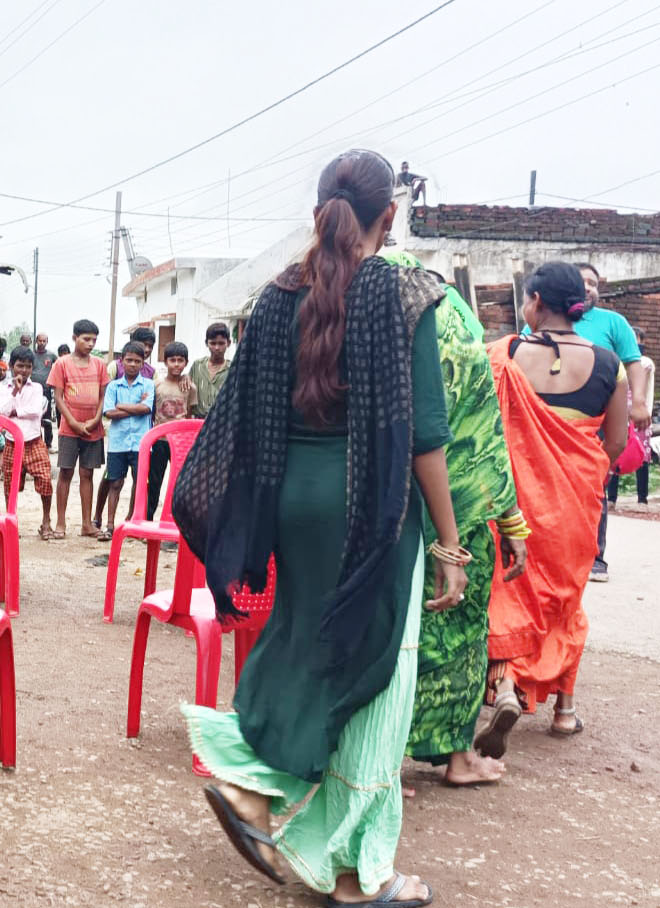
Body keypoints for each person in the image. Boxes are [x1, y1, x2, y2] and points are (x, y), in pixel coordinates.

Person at [175, 150, 461, 907]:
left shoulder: (278, 297)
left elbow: (243, 410)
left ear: (318, 214)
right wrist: (449, 544)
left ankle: (253, 782)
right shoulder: (406, 296)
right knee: (376, 677)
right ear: (388, 217)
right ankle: (353, 871)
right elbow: (425, 437)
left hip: (292, 506)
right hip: (368, 510)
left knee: (306, 642)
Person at [381, 251, 527, 789]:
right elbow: (485, 439)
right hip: (460, 511)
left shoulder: (369, 315)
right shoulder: (462, 327)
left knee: (387, 630)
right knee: (460, 635)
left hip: (378, 506)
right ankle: (458, 757)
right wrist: (513, 526)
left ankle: (374, 751)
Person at [478, 262, 626, 759]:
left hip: (516, 503)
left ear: (537, 302)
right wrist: (574, 477)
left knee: (510, 593)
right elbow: (617, 442)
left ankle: (503, 688)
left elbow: (485, 429)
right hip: (576, 506)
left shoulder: (506, 355)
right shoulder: (610, 364)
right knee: (566, 600)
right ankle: (564, 710)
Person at [563, 264, 647, 581]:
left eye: (593, 283)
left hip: (598, 417)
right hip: (552, 417)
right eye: (581, 281)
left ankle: (595, 557)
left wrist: (638, 403)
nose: (588, 287)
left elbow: (633, 363)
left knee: (595, 482)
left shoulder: (613, 322)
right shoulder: (548, 319)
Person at [47, 319, 108, 538]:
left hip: (93, 428)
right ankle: (61, 523)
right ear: (75, 338)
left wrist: (95, 420)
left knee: (87, 474)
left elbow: (103, 396)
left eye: (94, 340)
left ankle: (86, 524)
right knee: (65, 472)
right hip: (69, 429)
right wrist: (72, 422)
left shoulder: (99, 365)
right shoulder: (61, 364)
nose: (90, 344)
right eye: (86, 339)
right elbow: (58, 397)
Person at [97, 341, 153, 541]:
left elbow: (146, 409)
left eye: (137, 361)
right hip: (118, 443)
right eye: (129, 360)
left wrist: (122, 406)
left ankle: (138, 525)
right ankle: (109, 526)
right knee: (115, 483)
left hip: (141, 443)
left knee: (140, 484)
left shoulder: (148, 384)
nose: (132, 365)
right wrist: (134, 406)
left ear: (143, 362)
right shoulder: (113, 386)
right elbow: (109, 412)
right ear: (122, 361)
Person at [0, 347, 54, 539]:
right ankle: (11, 521)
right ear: (12, 366)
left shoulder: (37, 388)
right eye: (20, 366)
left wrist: (16, 411)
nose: (23, 370)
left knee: (45, 480)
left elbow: (36, 411)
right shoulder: (4, 389)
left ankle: (46, 522)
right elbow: (4, 411)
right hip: (12, 442)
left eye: (28, 366)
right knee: (10, 485)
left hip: (33, 440)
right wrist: (16, 391)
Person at [143, 341, 196, 521]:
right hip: (159, 441)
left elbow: (190, 415)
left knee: (178, 483)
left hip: (180, 444)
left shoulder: (190, 387)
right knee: (154, 482)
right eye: (172, 360)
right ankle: (148, 520)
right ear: (165, 362)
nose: (176, 364)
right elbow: (150, 411)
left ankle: (174, 521)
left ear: (186, 363)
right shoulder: (156, 385)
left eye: (180, 360)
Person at [608, 325, 654, 506]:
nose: (634, 343)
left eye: (638, 340)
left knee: (640, 454)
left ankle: (642, 499)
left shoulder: (646, 362)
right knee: (615, 451)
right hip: (618, 413)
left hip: (640, 416)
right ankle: (611, 498)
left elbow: (640, 368)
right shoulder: (616, 361)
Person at [188, 322, 233, 418]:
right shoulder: (197, 366)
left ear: (228, 343)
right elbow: (187, 387)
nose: (217, 348)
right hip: (198, 421)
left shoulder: (233, 369)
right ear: (206, 343)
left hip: (222, 421)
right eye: (213, 343)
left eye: (221, 343)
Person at [31, 332, 58, 448]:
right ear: (36, 341)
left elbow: (58, 370)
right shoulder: (31, 355)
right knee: (35, 418)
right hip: (32, 392)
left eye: (44, 341)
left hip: (46, 391)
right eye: (40, 341)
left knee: (46, 419)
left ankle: (48, 444)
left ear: (47, 342)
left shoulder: (52, 356)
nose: (42, 343)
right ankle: (38, 442)